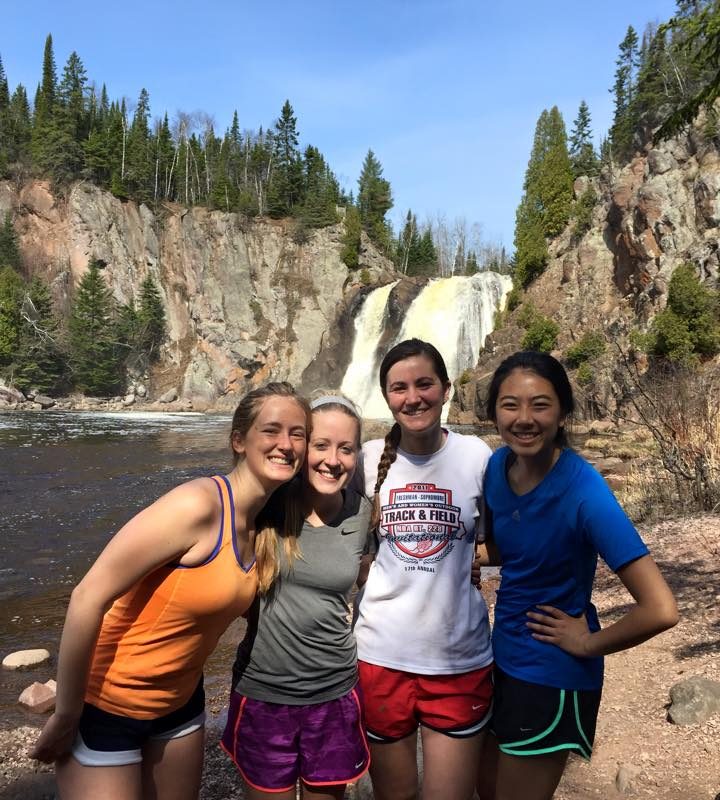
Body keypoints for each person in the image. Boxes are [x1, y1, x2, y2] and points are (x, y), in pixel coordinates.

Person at [30, 382, 311, 800]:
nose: (285, 444)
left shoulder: (265, 526)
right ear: (239, 440)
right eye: (271, 430)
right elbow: (88, 596)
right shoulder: (196, 505)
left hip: (180, 709)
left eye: (298, 433)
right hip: (108, 706)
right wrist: (67, 713)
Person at [474, 351, 679, 800]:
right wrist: (467, 557)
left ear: (563, 411)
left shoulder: (585, 492)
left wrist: (587, 642)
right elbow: (513, 548)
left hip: (552, 675)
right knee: (485, 789)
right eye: (510, 404)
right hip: (502, 660)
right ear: (493, 413)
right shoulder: (496, 468)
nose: (524, 418)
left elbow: (661, 609)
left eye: (540, 404)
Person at [353, 338, 494, 800]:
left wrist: (476, 561)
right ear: (387, 396)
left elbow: (501, 540)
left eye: (424, 384)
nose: (413, 397)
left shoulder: (477, 457)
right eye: (399, 388)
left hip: (458, 658)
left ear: (447, 388)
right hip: (379, 658)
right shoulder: (366, 460)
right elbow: (337, 537)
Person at [221, 394, 373, 800]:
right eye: (320, 445)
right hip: (265, 693)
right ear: (302, 448)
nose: (332, 459)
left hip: (335, 693)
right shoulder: (266, 506)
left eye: (346, 448)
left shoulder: (362, 513)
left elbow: (368, 572)